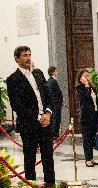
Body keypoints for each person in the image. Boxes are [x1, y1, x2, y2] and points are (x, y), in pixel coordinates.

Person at [6, 46, 55, 187]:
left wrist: (48, 113)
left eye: (29, 55)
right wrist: (37, 117)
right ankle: (31, 184)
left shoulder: (39, 74)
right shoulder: (13, 79)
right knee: (30, 158)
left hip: (46, 122)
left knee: (48, 157)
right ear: (17, 59)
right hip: (29, 124)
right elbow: (17, 105)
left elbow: (49, 97)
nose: (28, 58)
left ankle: (50, 184)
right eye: (24, 55)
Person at [76, 69, 98, 167]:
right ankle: (87, 159)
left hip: (94, 115)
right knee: (86, 138)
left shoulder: (92, 88)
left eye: (88, 75)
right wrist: (86, 85)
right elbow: (85, 98)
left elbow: (96, 102)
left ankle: (91, 158)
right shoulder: (80, 88)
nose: (87, 77)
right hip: (86, 117)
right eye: (85, 76)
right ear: (80, 78)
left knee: (92, 137)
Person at [47, 66, 63, 139]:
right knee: (56, 119)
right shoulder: (53, 81)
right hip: (55, 104)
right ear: (53, 72)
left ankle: (54, 133)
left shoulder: (49, 81)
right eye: (56, 71)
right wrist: (58, 102)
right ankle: (55, 134)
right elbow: (54, 93)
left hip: (54, 104)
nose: (57, 72)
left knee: (54, 119)